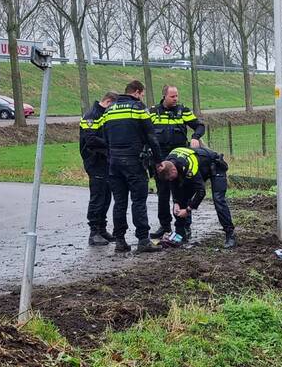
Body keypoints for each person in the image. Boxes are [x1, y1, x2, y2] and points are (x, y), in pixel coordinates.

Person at [100, 80, 164, 254]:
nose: (142, 97)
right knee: (138, 201)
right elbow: (151, 136)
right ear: (136, 92)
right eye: (142, 94)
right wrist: (158, 161)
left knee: (119, 202)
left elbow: (104, 138)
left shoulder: (109, 111)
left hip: (114, 162)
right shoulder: (138, 109)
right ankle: (143, 240)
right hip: (134, 161)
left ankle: (120, 241)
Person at [149, 85, 205, 239]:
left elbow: (199, 125)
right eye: (172, 96)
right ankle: (164, 225)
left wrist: (195, 137)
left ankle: (184, 226)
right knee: (163, 193)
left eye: (177, 96)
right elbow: (145, 132)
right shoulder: (153, 112)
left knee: (183, 193)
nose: (176, 99)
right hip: (160, 159)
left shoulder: (182, 111)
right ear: (164, 96)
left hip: (180, 160)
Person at [156, 146, 237, 249]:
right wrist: (176, 202)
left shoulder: (189, 166)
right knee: (181, 201)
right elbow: (174, 184)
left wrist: (188, 209)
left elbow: (201, 192)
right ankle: (180, 235)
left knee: (218, 199)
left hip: (215, 165)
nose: (171, 180)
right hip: (199, 168)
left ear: (173, 170)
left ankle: (230, 234)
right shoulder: (167, 163)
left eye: (171, 177)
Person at [79, 91, 119, 246]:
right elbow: (90, 139)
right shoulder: (92, 115)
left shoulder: (104, 114)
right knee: (97, 196)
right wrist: (111, 143)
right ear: (108, 102)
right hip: (95, 161)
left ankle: (102, 228)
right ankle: (94, 231)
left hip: (105, 161)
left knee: (106, 195)